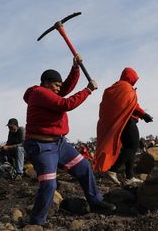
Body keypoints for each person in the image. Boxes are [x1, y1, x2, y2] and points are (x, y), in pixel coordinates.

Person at [23, 55, 115, 226]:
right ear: (46, 83)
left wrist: (75, 68)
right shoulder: (39, 93)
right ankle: (36, 222)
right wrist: (87, 90)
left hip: (60, 144)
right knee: (49, 184)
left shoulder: (49, 92)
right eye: (56, 85)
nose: (59, 89)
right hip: (41, 146)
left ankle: (96, 201)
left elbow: (65, 88)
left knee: (84, 167)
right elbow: (65, 104)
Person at [94, 67, 153, 186]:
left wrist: (142, 114)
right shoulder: (126, 88)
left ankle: (129, 176)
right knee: (133, 146)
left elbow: (124, 105)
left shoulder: (113, 88)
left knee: (128, 147)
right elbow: (133, 106)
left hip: (120, 122)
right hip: (127, 121)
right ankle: (113, 170)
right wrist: (144, 114)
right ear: (131, 77)